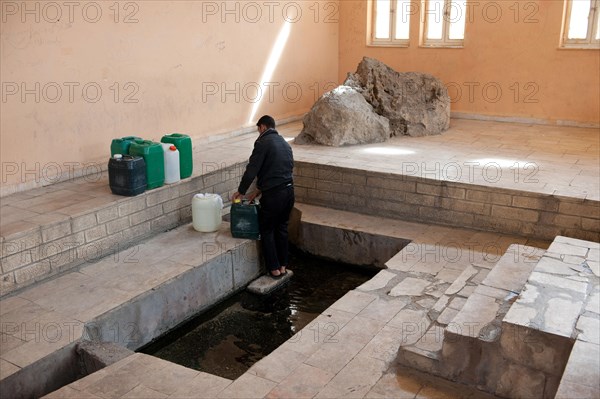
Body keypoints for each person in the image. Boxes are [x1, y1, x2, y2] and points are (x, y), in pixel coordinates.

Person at [232, 115, 295, 279]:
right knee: (281, 228)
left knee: (266, 230)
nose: (258, 133)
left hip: (274, 196)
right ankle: (282, 266)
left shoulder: (262, 142)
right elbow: (278, 171)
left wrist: (241, 191)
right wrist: (257, 191)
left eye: (258, 129)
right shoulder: (284, 144)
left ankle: (273, 269)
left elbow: (252, 169)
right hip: (289, 192)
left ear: (262, 127)